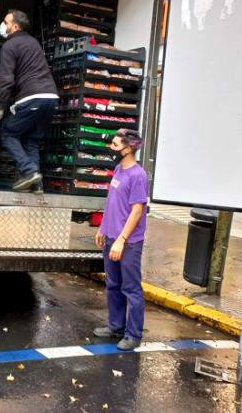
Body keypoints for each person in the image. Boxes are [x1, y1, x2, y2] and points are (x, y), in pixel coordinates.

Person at [0, 10, 58, 193]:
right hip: (51, 98)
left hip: (31, 97)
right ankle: (36, 184)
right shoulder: (33, 42)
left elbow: (7, 81)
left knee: (7, 132)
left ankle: (29, 172)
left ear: (15, 26)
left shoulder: (10, 46)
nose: (2, 25)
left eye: (5, 21)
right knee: (31, 140)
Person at [93, 129, 149, 351]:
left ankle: (133, 334)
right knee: (113, 285)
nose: (111, 148)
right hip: (111, 236)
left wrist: (121, 240)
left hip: (128, 242)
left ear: (128, 149)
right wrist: (103, 227)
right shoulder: (118, 169)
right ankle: (115, 326)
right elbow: (113, 202)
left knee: (131, 288)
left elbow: (137, 211)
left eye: (115, 146)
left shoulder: (138, 175)